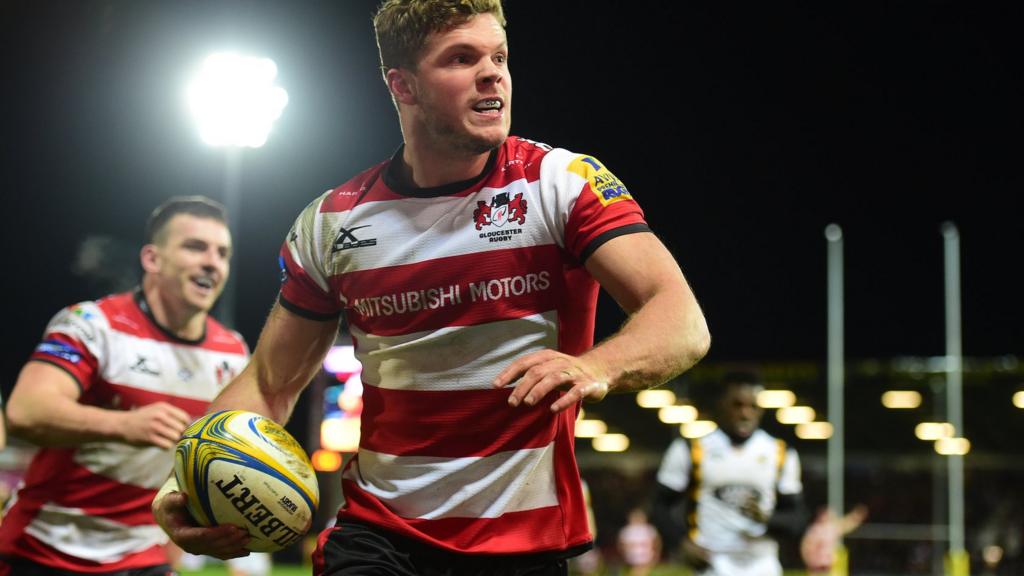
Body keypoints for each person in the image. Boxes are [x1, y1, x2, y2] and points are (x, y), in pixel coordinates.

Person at [154, 1, 711, 574]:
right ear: (403, 86)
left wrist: (597, 367)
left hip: (520, 543)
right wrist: (185, 481)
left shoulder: (560, 186)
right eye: (461, 58)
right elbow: (270, 383)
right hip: (377, 536)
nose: (492, 73)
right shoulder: (332, 223)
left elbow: (680, 320)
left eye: (499, 56)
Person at [0, 197, 250, 575]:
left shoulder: (233, 353)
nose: (212, 262)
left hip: (145, 557)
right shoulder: (91, 323)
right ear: (152, 259)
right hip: (43, 549)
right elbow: (25, 411)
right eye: (195, 246)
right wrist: (125, 424)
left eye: (222, 253)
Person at [652, 372, 805, 576]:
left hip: (762, 564)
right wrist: (681, 543)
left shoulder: (780, 453)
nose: (745, 414)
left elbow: (797, 519)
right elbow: (658, 506)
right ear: (721, 404)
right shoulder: (691, 448)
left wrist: (767, 519)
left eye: (753, 407)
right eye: (737, 405)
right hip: (712, 563)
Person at [617, 508, 661, 576]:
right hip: (641, 554)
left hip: (639, 554)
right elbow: (656, 542)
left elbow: (621, 544)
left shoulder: (626, 530)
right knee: (641, 569)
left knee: (642, 569)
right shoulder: (628, 530)